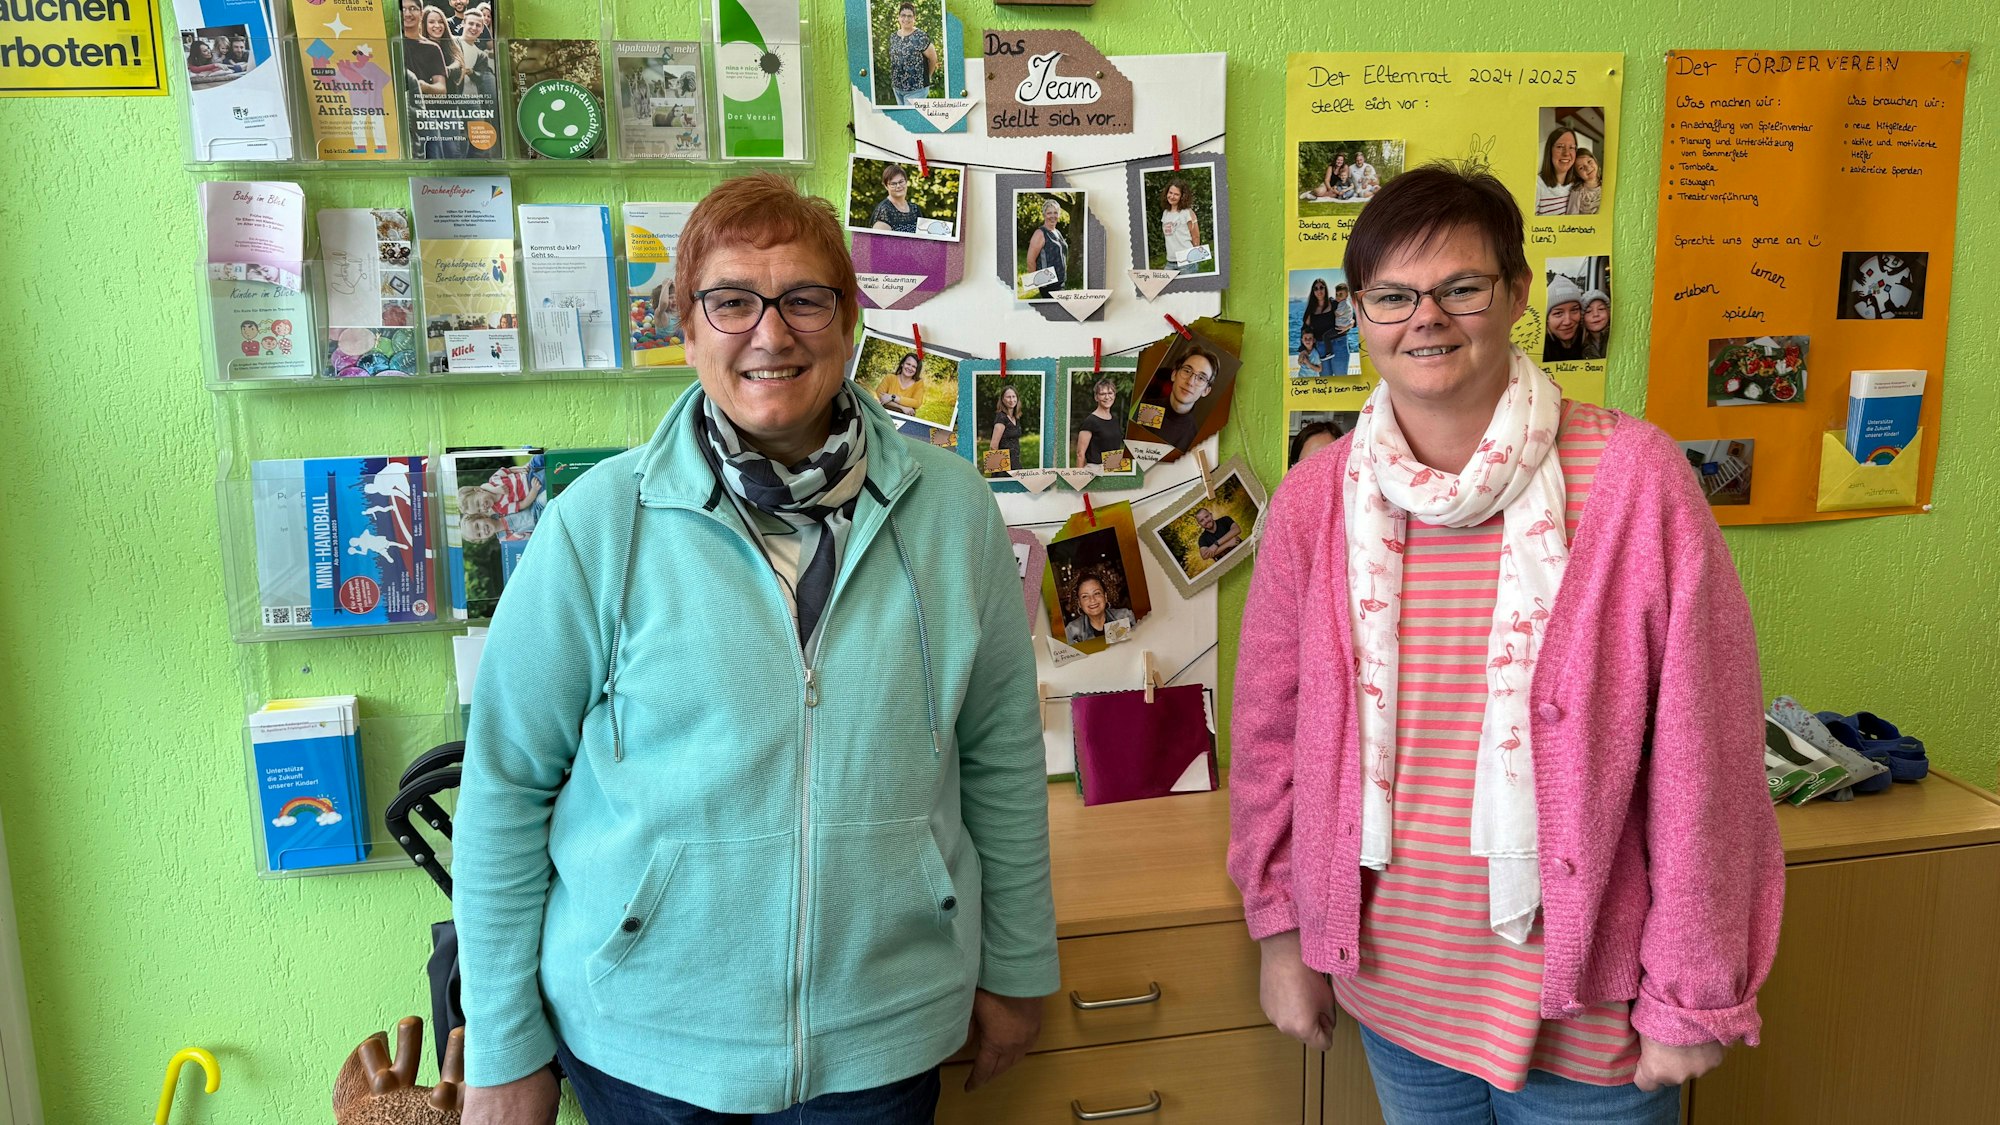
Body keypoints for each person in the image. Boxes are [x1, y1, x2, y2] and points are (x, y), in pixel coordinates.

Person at [455, 173, 1059, 1125]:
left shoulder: (953, 514)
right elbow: (504, 786)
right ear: (686, 328)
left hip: (881, 1040)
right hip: (646, 1048)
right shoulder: (597, 526)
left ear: (852, 319)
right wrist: (501, 1046)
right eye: (731, 300)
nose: (771, 334)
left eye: (804, 299)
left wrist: (1019, 964)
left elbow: (1001, 757)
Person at [1230, 162, 1781, 1125]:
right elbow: (1270, 736)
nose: (1426, 319)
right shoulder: (1318, 499)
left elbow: (1708, 755)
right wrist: (1283, 936)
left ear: (1519, 294)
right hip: (1396, 988)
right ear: (1358, 312)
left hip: (1591, 1011)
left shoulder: (1633, 480)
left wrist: (1693, 990)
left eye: (1461, 289)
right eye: (1393, 296)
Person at [1138, 347, 1218, 451]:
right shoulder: (1143, 408)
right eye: (1187, 371)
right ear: (1174, 375)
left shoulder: (1193, 441)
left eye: (1201, 378)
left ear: (1206, 391)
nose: (1190, 382)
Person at [886, 1, 938, 106]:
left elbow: (933, 59)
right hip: (897, 88)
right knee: (902, 120)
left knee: (910, 120)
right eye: (903, 15)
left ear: (914, 18)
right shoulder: (893, 37)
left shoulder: (920, 36)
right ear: (898, 17)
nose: (906, 19)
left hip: (917, 90)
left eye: (910, 16)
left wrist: (928, 76)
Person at [1062, 572, 1134, 644]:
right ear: (1079, 603)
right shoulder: (1072, 631)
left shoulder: (1125, 617)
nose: (1092, 599)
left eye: (1097, 593)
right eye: (1085, 596)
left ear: (1105, 597)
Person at [1072, 377, 1128, 468]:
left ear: (1114, 395)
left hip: (1114, 469)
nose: (1107, 397)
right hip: (1096, 471)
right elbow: (1080, 454)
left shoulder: (1114, 419)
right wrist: (1079, 477)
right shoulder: (1090, 421)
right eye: (1102, 394)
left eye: (1110, 393)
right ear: (1096, 397)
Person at [1022, 198, 1069, 300]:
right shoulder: (1040, 233)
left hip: (1060, 281)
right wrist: (1038, 283)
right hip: (1048, 283)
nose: (1052, 216)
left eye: (1055, 213)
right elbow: (1030, 261)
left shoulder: (1057, 232)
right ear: (1044, 215)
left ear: (1059, 215)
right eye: (1049, 213)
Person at [1158, 179, 1203, 270]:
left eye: (1176, 194)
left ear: (1182, 196)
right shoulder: (1165, 213)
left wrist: (1194, 257)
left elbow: (1196, 236)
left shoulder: (1187, 212)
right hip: (1170, 261)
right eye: (1170, 193)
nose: (1172, 196)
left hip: (1187, 261)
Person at [1535, 127, 1578, 215]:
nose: (1566, 153)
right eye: (1560, 147)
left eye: (1571, 147)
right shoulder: (1536, 185)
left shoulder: (1577, 185)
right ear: (1549, 151)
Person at [1543, 276, 1586, 362]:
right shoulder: (1539, 350)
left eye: (1574, 310)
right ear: (1547, 319)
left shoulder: (1591, 341)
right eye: (1558, 313)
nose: (1568, 321)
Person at [870, 163, 921, 234]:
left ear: (906, 182)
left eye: (901, 182)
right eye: (893, 184)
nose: (898, 186)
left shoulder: (915, 209)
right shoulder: (884, 211)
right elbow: (880, 244)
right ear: (886, 186)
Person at [987, 385, 1025, 475]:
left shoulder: (1016, 417)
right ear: (1002, 400)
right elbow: (993, 446)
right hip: (1003, 466)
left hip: (1015, 463)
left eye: (1013, 396)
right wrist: (998, 469)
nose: (1012, 400)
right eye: (1008, 397)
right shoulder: (1001, 417)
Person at [874, 350, 926, 416]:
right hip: (884, 414)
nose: (910, 368)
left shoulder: (918, 383)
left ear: (917, 370)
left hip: (906, 417)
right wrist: (902, 407)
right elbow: (880, 396)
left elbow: (917, 403)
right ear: (902, 364)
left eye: (914, 367)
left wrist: (893, 397)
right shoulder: (890, 377)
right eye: (908, 364)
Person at [1565, 148, 1603, 216]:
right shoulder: (1577, 191)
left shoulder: (1607, 184)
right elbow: (1571, 218)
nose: (1587, 168)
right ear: (1577, 174)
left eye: (1589, 161)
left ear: (1595, 160)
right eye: (1581, 168)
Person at [1581, 287, 1611, 360]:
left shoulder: (1620, 337)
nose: (1596, 314)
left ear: (1609, 313)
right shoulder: (1579, 346)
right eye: (1588, 311)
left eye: (1601, 309)